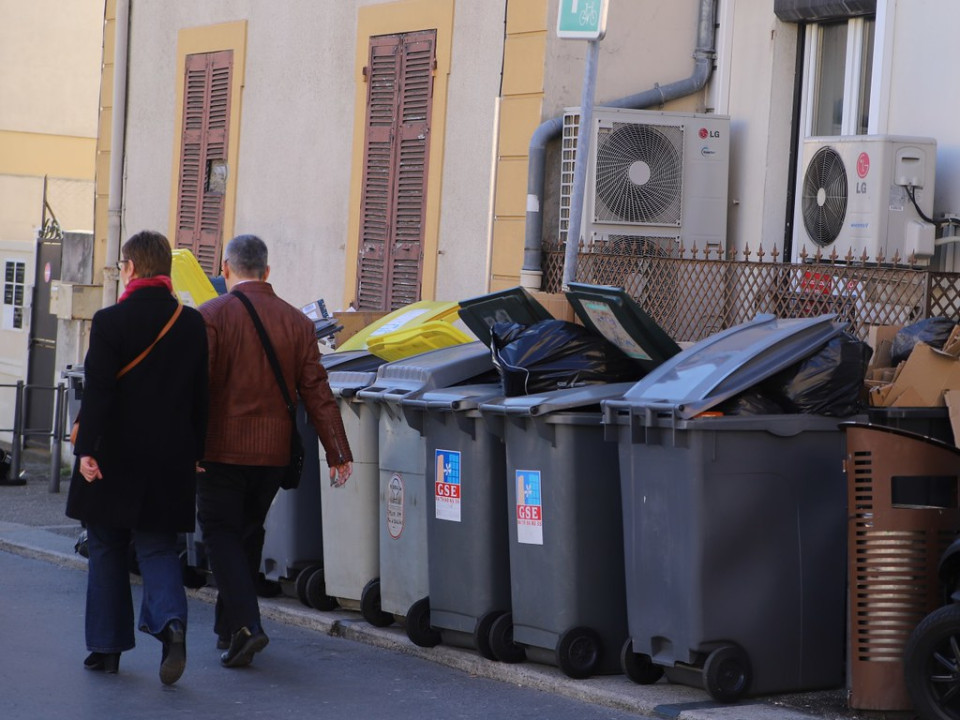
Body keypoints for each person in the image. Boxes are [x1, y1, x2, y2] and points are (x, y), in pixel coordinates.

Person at [197, 233, 353, 668]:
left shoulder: (210, 316)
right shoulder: (297, 323)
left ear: (225, 269)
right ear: (267, 272)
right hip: (272, 453)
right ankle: (228, 630)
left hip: (220, 450)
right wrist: (338, 451)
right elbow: (318, 392)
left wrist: (188, 444)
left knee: (221, 535)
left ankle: (247, 625)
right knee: (246, 534)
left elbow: (199, 388)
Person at [66, 230, 209, 685]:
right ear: (165, 268)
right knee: (159, 546)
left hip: (114, 455)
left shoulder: (109, 322)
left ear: (129, 267)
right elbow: (201, 397)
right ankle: (172, 625)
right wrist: (198, 452)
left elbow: (101, 392)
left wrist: (86, 448)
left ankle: (106, 649)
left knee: (106, 545)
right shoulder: (190, 323)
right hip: (169, 457)